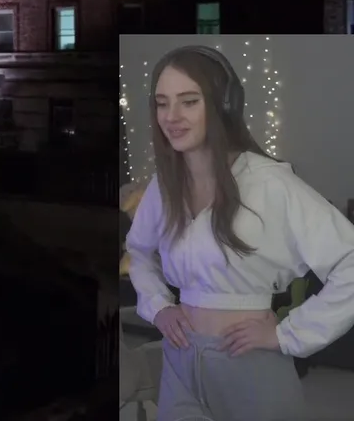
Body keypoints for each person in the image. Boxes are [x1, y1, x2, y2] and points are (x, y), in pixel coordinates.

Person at [125, 45, 354, 421]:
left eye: (189, 101)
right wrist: (158, 307)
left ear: (224, 106)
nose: (172, 116)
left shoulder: (269, 183)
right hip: (180, 361)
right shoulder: (163, 186)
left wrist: (287, 334)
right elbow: (138, 252)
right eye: (162, 103)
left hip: (248, 362)